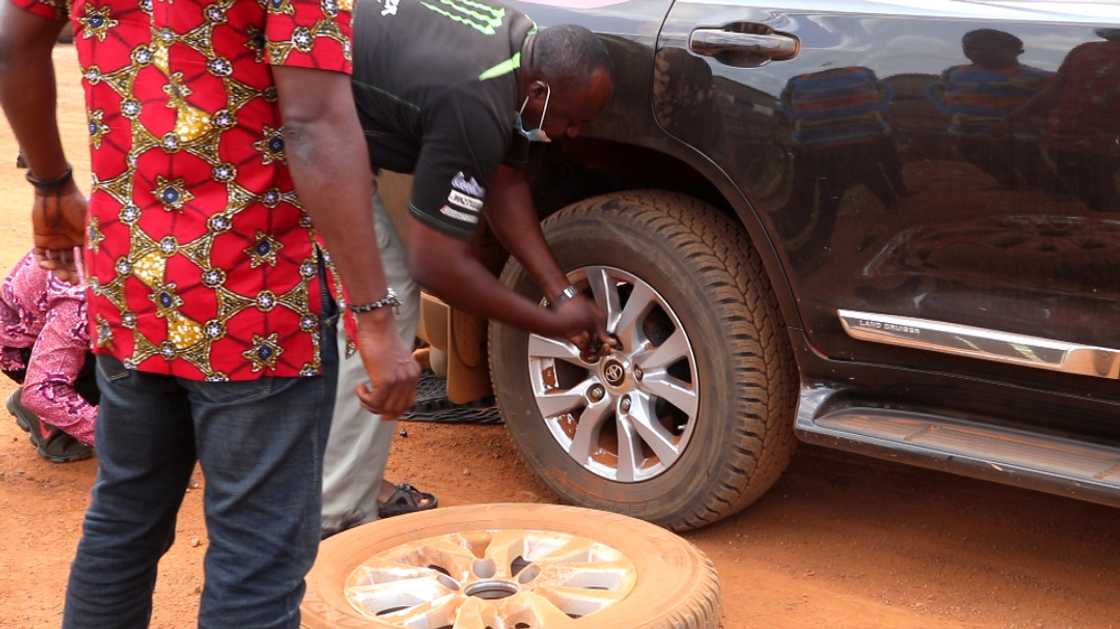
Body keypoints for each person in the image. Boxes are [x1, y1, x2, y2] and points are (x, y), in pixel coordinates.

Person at [0, 0, 419, 626]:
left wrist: (53, 184)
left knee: (124, 521)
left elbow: (12, 39)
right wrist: (377, 316)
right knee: (257, 557)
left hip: (134, 289)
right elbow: (316, 127)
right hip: (258, 308)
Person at [319, 0, 615, 537]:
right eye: (573, 119)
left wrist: (560, 294)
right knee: (380, 297)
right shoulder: (475, 99)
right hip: (295, 119)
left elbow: (503, 182)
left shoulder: (518, 49)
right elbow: (435, 264)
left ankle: (347, 478)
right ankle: (334, 513)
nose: (573, 133)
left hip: (338, 96)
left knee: (357, 298)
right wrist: (549, 324)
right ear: (541, 92)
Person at [1, 251, 97, 463]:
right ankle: (47, 419)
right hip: (24, 350)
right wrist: (121, 440)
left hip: (51, 326)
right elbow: (42, 390)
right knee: (125, 376)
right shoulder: (80, 294)